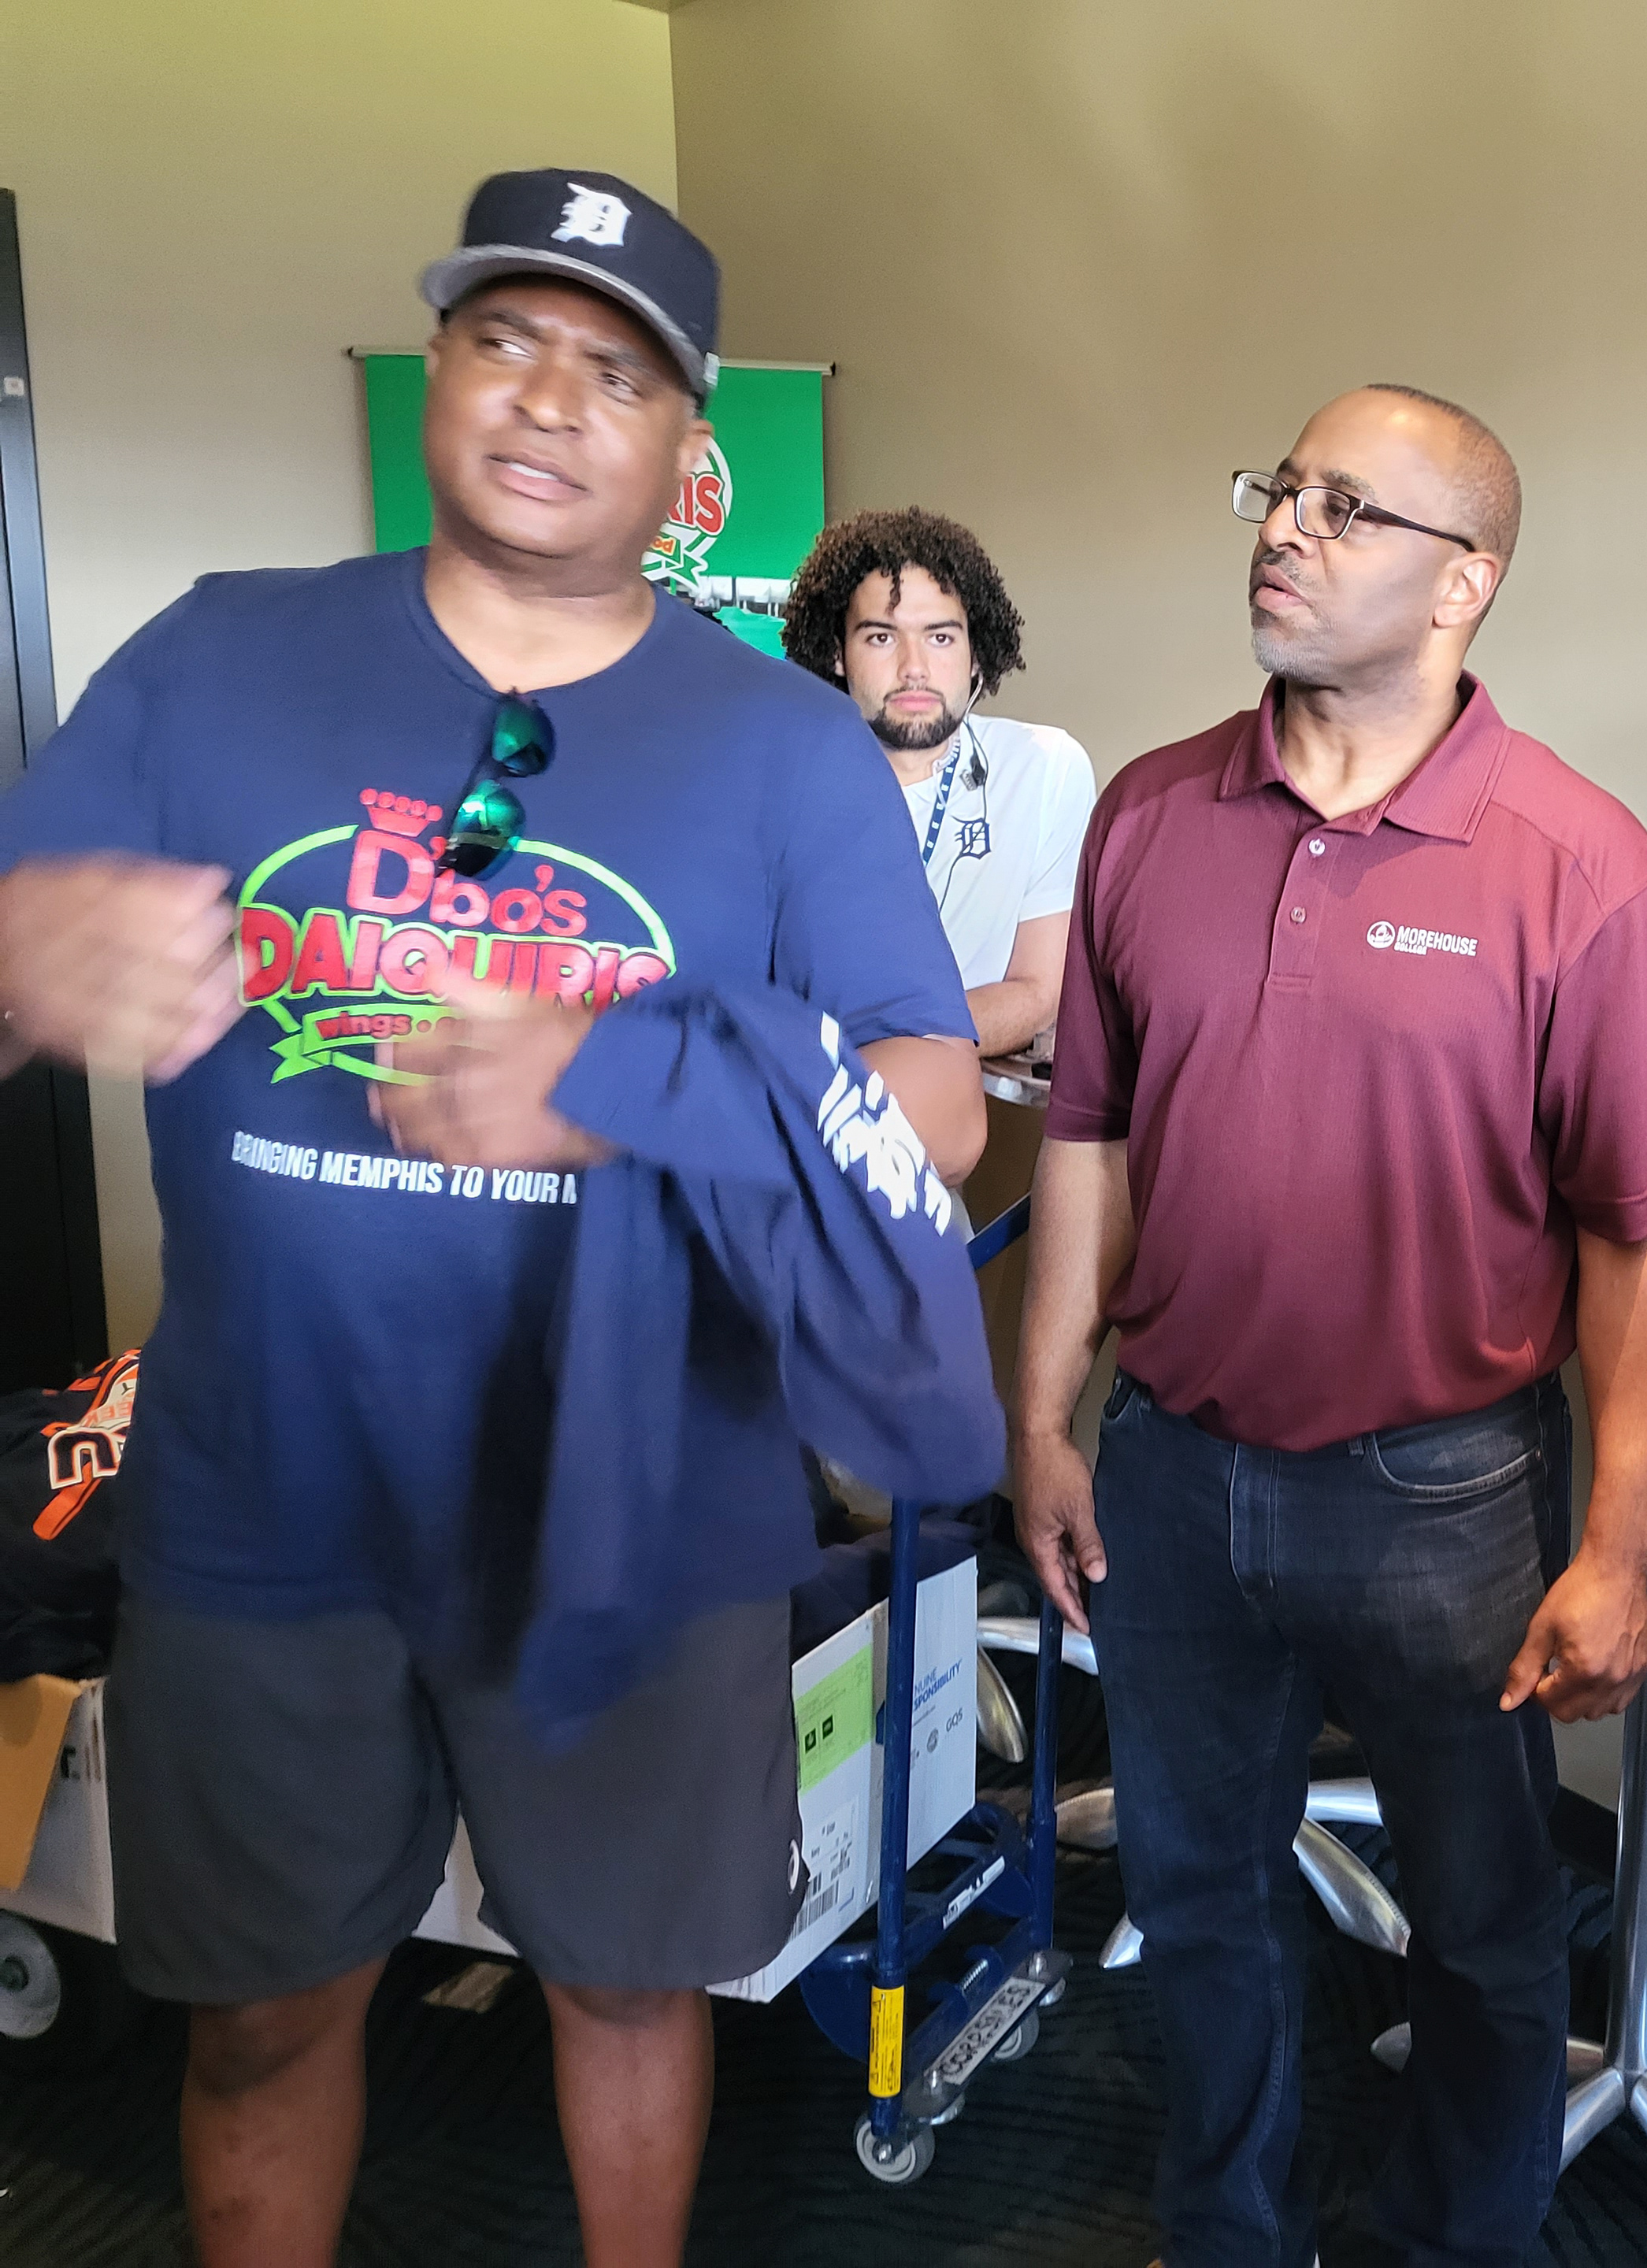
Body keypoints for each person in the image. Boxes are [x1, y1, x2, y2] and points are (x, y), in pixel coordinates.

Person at [0, 171, 982, 2267]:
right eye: (505, 339)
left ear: (689, 446)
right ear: (439, 368)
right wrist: (21, 959)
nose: (547, 398)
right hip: (265, 1493)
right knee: (263, 2012)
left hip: (636, 1502)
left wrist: (619, 1080)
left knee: (628, 1982)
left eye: (613, 370)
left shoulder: (787, 748)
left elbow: (933, 1109)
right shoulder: (217, 657)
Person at [1013, 386, 1647, 2266]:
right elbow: (1084, 1133)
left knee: (1482, 1927)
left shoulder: (1578, 862)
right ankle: (1225, 2230)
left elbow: (1642, 1240)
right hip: (1170, 1470)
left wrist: (1618, 1548)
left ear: (1463, 581)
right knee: (1198, 1897)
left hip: (1442, 1498)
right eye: (1281, 489)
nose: (1283, 529)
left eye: (1345, 507)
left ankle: (1451, 2240)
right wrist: (1045, 1415)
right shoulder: (1151, 810)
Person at [783, 506, 1093, 1062]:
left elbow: (1037, 993)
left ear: (976, 654)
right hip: (802, 1098)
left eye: (941, 637)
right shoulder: (783, 784)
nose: (915, 667)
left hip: (955, 1101)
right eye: (882, 637)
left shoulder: (1045, 768)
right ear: (837, 653)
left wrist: (874, 1055)